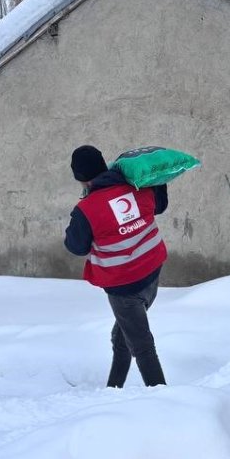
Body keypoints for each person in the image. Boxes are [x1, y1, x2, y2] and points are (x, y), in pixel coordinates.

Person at [64, 145, 169, 388]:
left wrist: (81, 214)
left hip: (124, 285)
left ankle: (163, 399)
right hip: (152, 272)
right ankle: (113, 390)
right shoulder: (136, 187)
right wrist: (158, 180)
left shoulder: (87, 209)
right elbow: (160, 205)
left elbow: (76, 246)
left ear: (79, 177)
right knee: (122, 336)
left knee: (141, 346)